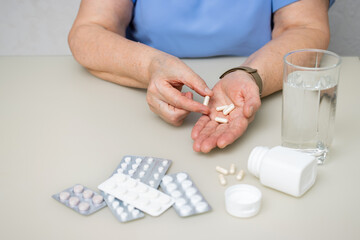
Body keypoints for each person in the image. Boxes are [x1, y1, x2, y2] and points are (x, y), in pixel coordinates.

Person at [68, 0, 333, 153]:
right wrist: (150, 66)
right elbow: (88, 31)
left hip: (264, 82)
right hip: (129, 108)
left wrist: (251, 75)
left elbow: (306, 28)